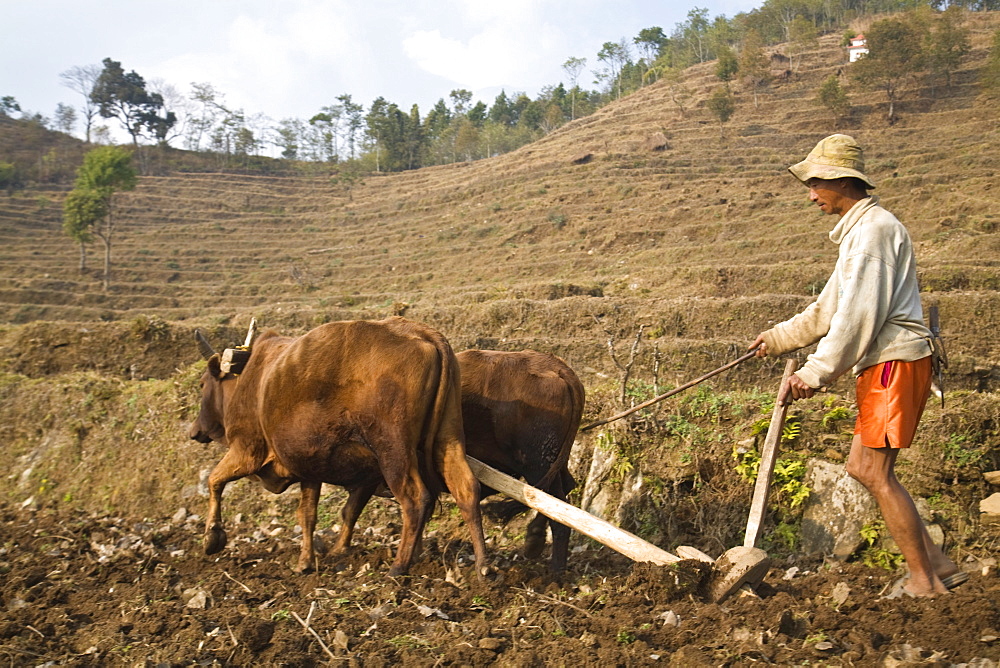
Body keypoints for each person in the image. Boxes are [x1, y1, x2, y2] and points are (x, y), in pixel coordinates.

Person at [749, 134, 967, 598]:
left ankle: (924, 581)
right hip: (887, 363)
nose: (810, 195)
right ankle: (939, 564)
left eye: (814, 184)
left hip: (895, 362)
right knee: (861, 466)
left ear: (841, 181)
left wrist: (814, 372)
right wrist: (776, 339)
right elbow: (828, 309)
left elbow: (856, 318)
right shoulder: (860, 233)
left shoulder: (872, 234)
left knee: (873, 471)